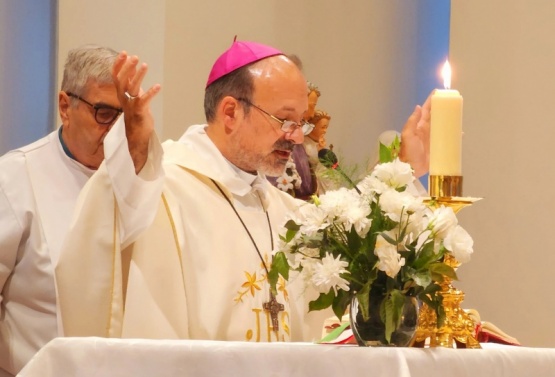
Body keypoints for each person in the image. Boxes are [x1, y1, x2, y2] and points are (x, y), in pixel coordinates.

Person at [55, 40, 430, 343]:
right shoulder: (161, 188)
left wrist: (407, 176)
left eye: (301, 123)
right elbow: (107, 226)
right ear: (230, 112)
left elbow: (361, 269)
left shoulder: (288, 211)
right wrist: (134, 143)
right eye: (285, 120)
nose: (297, 137)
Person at [0, 45, 144, 376]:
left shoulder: (138, 183)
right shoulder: (15, 178)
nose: (115, 131)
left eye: (125, 117)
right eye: (104, 113)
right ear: (66, 106)